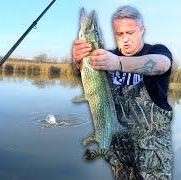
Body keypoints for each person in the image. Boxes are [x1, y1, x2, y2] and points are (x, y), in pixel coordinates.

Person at [73, 6, 173, 180]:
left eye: (130, 32)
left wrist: (118, 63)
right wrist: (79, 60)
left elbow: (162, 64)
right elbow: (86, 76)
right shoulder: (105, 55)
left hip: (153, 159)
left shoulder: (155, 51)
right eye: (120, 34)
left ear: (142, 30)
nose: (125, 39)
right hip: (119, 154)